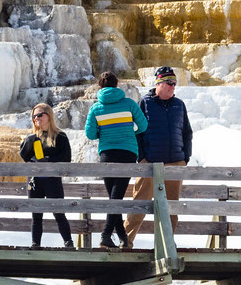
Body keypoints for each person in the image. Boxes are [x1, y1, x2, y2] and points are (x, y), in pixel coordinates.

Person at [125, 67, 193, 242]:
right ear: (159, 83)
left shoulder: (179, 105)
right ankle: (126, 243)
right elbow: (135, 132)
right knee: (139, 204)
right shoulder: (144, 103)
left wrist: (185, 157)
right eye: (169, 83)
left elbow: (187, 132)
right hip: (150, 163)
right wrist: (142, 158)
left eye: (175, 83)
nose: (173, 86)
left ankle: (166, 245)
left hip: (175, 163)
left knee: (171, 208)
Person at [83, 73, 147, 248]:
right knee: (116, 197)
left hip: (107, 153)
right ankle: (114, 236)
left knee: (114, 196)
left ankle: (113, 236)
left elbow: (90, 134)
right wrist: (129, 133)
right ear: (117, 84)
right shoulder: (129, 104)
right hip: (128, 152)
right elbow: (143, 125)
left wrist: (104, 133)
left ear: (99, 87)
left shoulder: (96, 108)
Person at [21, 102, 73, 248]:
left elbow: (66, 158)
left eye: (39, 115)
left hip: (52, 180)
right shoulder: (32, 138)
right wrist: (27, 142)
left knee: (58, 212)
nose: (36, 119)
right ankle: (35, 244)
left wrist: (49, 161)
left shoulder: (60, 137)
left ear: (49, 116)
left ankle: (68, 243)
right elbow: (24, 157)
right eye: (34, 116)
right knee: (36, 215)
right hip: (34, 180)